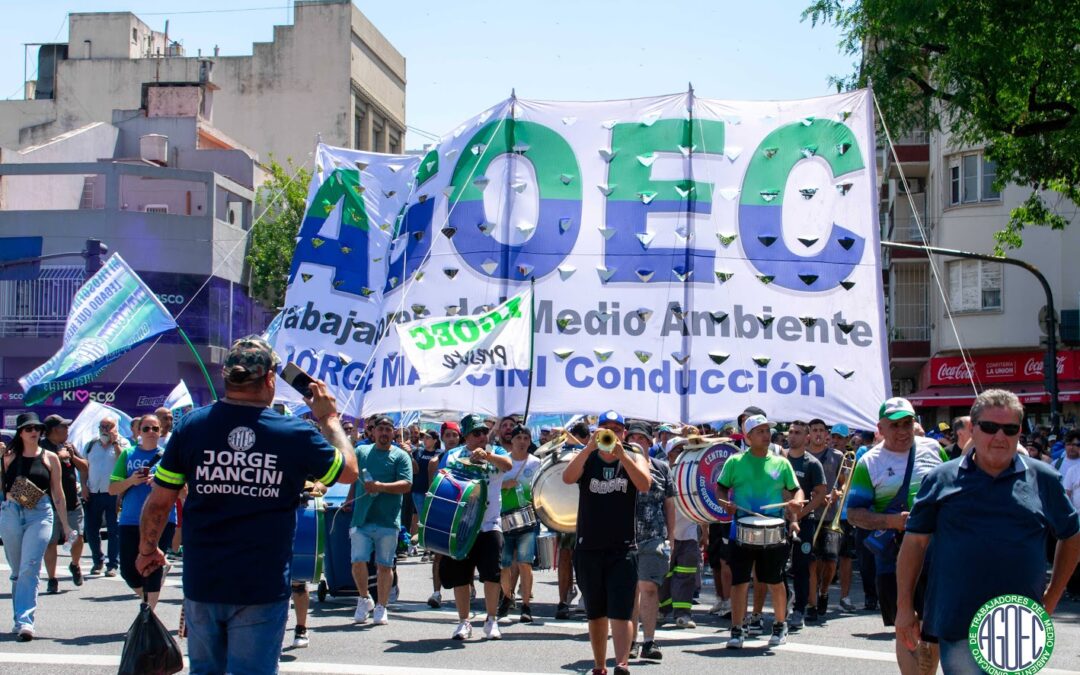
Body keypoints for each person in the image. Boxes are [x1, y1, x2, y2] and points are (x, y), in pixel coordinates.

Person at [136, 336, 358, 675]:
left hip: (204, 580)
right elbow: (348, 472)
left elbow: (158, 503)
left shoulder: (192, 426)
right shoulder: (294, 432)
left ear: (227, 377)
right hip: (262, 584)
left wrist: (147, 549)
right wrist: (328, 419)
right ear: (270, 379)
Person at [899, 389, 1080, 674]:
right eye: (989, 427)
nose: (999, 436)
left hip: (1020, 625)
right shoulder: (941, 478)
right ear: (972, 429)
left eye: (1009, 429)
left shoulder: (1043, 478)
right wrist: (904, 608)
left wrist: (1053, 595)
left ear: (1019, 432)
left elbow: (1072, 534)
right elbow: (914, 544)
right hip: (957, 623)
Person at [847, 397, 945, 675]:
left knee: (932, 627)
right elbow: (854, 513)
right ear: (881, 427)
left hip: (935, 553)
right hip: (893, 556)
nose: (903, 431)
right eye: (895, 425)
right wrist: (893, 521)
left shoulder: (934, 449)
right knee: (906, 627)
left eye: (907, 423)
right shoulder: (869, 461)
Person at [563, 410, 652, 675]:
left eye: (618, 428)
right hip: (589, 545)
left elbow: (644, 484)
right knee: (596, 612)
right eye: (606, 427)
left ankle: (622, 663)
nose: (612, 432)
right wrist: (588, 447)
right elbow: (567, 477)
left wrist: (623, 456)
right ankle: (600, 665)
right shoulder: (588, 457)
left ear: (624, 433)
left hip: (623, 547)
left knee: (621, 610)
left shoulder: (634, 456)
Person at [717, 414, 803, 649]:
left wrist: (796, 502)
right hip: (742, 528)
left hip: (774, 530)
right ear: (748, 437)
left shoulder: (781, 463)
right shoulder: (734, 462)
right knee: (740, 582)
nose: (767, 435)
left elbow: (797, 491)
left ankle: (779, 624)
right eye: (760, 431)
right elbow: (721, 489)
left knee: (774, 581)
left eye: (767, 430)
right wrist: (725, 502)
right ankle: (736, 629)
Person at [0, 412, 73, 641]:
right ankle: (18, 618)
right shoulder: (8, 456)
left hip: (40, 513)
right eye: (29, 428)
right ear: (20, 432)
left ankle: (25, 622)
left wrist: (66, 526)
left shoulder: (50, 458)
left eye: (37, 428)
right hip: (12, 511)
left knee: (30, 567)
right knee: (17, 571)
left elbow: (58, 494)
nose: (34, 432)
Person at [440, 414, 512, 641]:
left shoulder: (496, 452)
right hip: (461, 524)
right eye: (476, 433)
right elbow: (442, 482)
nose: (482, 437)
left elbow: (508, 465)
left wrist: (488, 455)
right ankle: (463, 622)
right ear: (466, 437)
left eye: (484, 432)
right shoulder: (453, 455)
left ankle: (491, 620)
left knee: (492, 574)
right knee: (461, 576)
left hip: (490, 524)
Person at [348, 415, 412, 626]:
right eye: (380, 429)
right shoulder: (361, 451)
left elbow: (406, 484)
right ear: (372, 432)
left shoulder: (401, 456)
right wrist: (349, 499)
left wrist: (380, 486)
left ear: (393, 433)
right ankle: (364, 598)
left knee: (384, 566)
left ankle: (381, 606)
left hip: (387, 520)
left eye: (388, 429)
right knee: (358, 561)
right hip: (361, 518)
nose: (384, 433)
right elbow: (353, 477)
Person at [109, 414, 176, 610]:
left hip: (161, 518)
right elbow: (113, 488)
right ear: (138, 432)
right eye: (146, 428)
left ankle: (148, 616)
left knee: (152, 569)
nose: (151, 432)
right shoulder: (127, 454)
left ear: (161, 431)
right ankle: (147, 604)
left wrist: (160, 482)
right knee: (128, 571)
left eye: (155, 428)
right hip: (130, 518)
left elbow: (183, 491)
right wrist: (131, 480)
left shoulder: (169, 456)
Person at [627, 421, 673, 661]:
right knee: (630, 591)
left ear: (649, 442)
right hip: (624, 537)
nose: (637, 442)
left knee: (649, 588)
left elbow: (669, 504)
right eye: (632, 437)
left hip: (653, 535)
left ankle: (649, 641)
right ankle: (630, 641)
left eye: (642, 438)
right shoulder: (620, 466)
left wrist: (671, 539)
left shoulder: (662, 468)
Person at [783, 420, 827, 629]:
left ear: (806, 437)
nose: (792, 436)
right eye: (790, 432)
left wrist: (802, 512)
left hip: (804, 523)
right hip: (779, 521)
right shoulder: (779, 459)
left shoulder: (812, 464)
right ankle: (784, 599)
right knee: (777, 566)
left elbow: (820, 494)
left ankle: (799, 609)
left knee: (801, 567)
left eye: (798, 433)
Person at [498, 424, 542, 623]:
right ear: (512, 440)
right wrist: (503, 485)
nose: (523, 442)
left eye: (526, 438)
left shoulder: (536, 463)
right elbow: (488, 486)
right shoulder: (502, 462)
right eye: (519, 438)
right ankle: (507, 598)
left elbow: (543, 488)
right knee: (505, 564)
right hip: (503, 518)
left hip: (528, 519)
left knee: (525, 564)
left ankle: (526, 606)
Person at [38, 414, 87, 594]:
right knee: (50, 542)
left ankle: (75, 564)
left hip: (72, 502)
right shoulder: (41, 447)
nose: (67, 430)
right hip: (49, 504)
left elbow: (85, 468)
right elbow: (39, 470)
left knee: (79, 537)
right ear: (52, 430)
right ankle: (52, 579)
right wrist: (58, 457)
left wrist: (72, 457)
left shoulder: (69, 446)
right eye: (63, 427)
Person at [805, 418, 845, 621]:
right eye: (815, 430)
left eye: (822, 430)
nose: (818, 434)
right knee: (812, 562)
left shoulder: (837, 456)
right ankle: (811, 603)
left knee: (830, 561)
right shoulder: (802, 456)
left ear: (826, 433)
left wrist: (837, 493)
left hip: (830, 516)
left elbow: (845, 483)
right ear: (809, 433)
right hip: (810, 515)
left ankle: (824, 591)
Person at [80, 415, 127, 577]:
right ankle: (97, 560)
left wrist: (115, 443)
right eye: (102, 426)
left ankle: (112, 564)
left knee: (114, 530)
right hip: (94, 492)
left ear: (116, 428)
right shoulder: (91, 445)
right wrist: (84, 487)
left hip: (114, 493)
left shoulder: (123, 443)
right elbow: (84, 468)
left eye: (109, 426)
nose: (105, 430)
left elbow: (125, 461)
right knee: (91, 529)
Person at [424, 421, 461, 608]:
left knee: (463, 554)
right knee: (438, 554)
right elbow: (432, 488)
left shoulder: (466, 456)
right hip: (443, 511)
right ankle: (436, 592)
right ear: (443, 438)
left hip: (462, 511)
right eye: (448, 435)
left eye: (455, 435)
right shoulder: (435, 461)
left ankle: (467, 589)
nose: (452, 439)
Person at [555, 420, 590, 620]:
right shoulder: (563, 452)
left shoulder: (589, 452)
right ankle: (563, 601)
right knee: (565, 557)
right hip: (565, 512)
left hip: (587, 513)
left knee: (584, 558)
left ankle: (586, 596)